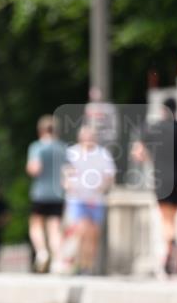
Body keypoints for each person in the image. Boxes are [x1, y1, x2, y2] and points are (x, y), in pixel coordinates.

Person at [132, 97, 177, 275]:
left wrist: (153, 158)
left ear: (163, 110)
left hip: (162, 179)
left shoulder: (153, 128)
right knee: (173, 216)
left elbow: (138, 153)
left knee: (165, 217)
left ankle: (172, 246)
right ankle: (171, 251)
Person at [63, 124, 116, 274]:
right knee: (82, 230)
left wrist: (103, 186)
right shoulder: (72, 152)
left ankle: (88, 265)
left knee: (93, 235)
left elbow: (110, 175)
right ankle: (78, 264)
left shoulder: (103, 154)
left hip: (96, 200)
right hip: (78, 198)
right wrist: (68, 182)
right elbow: (66, 171)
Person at [26, 115, 68, 272]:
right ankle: (58, 260)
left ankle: (42, 252)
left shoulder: (37, 147)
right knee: (55, 228)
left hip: (40, 193)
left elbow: (34, 169)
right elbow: (68, 173)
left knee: (36, 224)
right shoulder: (63, 148)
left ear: (41, 130)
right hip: (58, 194)